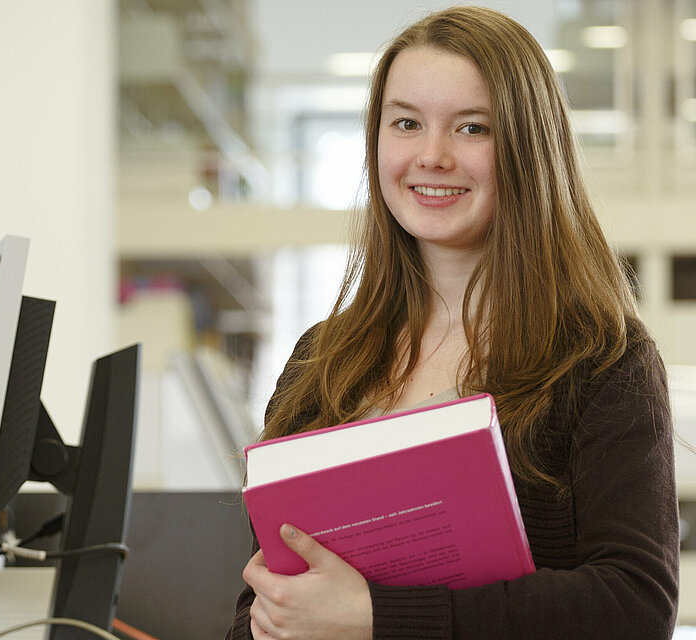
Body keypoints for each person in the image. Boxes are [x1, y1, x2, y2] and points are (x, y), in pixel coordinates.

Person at [226, 6, 679, 640]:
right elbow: (256, 605)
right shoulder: (321, 360)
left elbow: (634, 605)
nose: (431, 156)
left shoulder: (602, 358)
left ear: (527, 148)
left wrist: (379, 619)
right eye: (406, 123)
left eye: (472, 128)